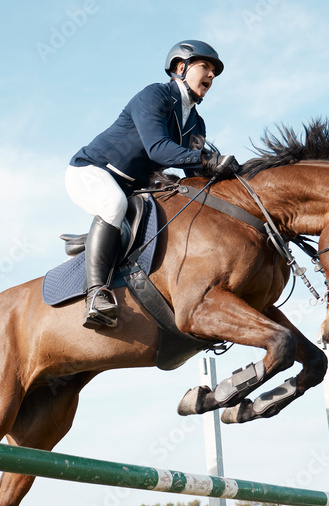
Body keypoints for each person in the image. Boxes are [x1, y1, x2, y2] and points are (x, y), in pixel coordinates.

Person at [66, 40, 240, 329]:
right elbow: (158, 149)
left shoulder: (197, 124)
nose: (211, 75)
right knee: (114, 205)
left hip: (133, 188)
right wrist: (209, 159)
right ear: (180, 67)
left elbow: (193, 171)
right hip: (92, 171)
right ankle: (95, 294)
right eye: (205, 67)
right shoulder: (154, 96)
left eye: (214, 72)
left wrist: (226, 176)